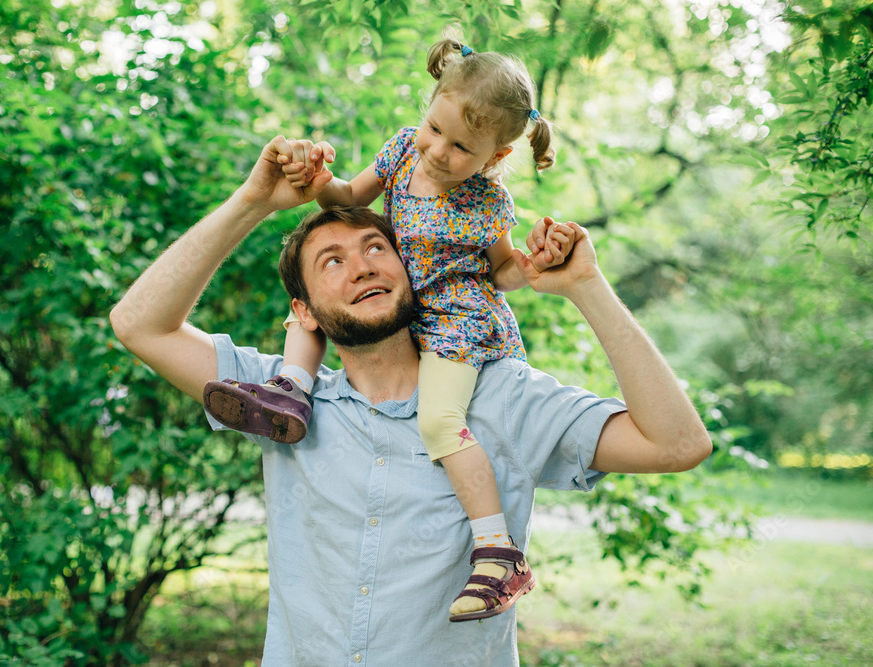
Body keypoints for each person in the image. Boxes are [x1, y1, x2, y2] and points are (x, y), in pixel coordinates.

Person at [109, 132, 712, 665]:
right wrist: (253, 202)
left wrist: (587, 287)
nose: (363, 267)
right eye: (332, 261)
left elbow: (678, 443)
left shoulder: (500, 395)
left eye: (377, 248)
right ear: (305, 312)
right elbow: (139, 324)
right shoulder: (279, 402)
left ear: (412, 269)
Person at [201, 39, 576, 621]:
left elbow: (500, 272)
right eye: (434, 128)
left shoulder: (487, 200)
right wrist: (317, 179)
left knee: (440, 422)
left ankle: (499, 552)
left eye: (461, 147)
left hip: (455, 322)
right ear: (426, 110)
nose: (439, 151)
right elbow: (348, 198)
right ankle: (291, 390)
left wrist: (530, 266)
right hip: (400, 303)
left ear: (496, 155)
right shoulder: (404, 149)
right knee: (312, 309)